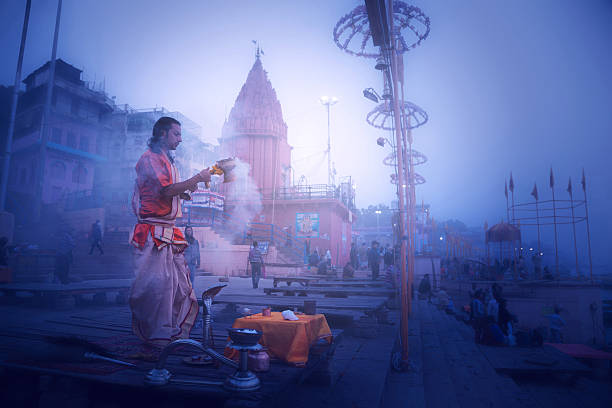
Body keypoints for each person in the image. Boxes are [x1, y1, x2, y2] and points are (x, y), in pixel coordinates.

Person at [129, 116, 208, 347]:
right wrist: (196, 178)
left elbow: (172, 192)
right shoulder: (149, 159)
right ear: (162, 134)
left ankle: (169, 332)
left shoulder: (169, 161)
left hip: (168, 232)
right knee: (155, 287)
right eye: (177, 134)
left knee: (176, 287)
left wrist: (192, 186)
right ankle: (157, 335)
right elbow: (165, 191)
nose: (181, 139)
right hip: (153, 233)